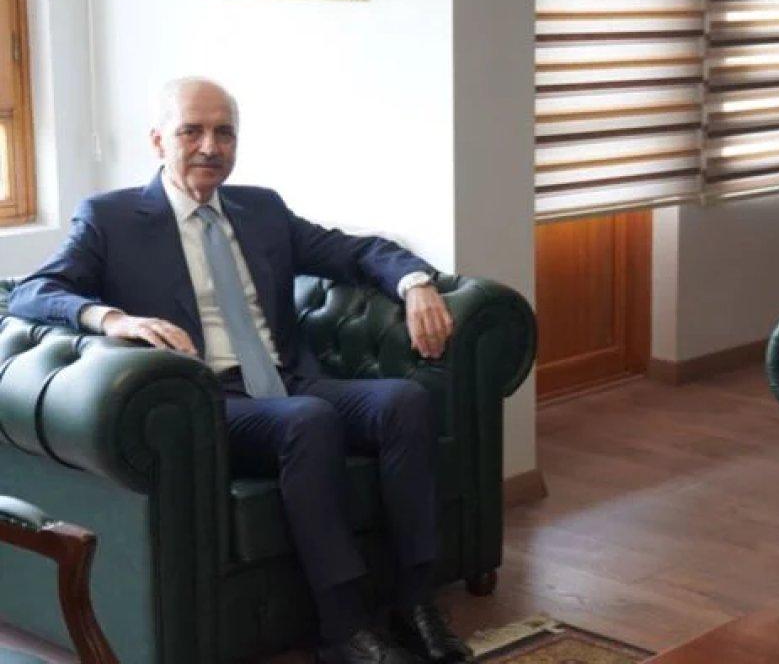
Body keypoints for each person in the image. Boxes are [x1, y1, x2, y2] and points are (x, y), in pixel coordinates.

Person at [8, 78, 473, 664]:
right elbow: (32, 292)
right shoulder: (111, 219)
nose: (210, 146)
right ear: (158, 140)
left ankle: (415, 601)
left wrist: (416, 283)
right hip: (206, 402)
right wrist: (112, 319)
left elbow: (353, 251)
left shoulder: (262, 209)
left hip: (287, 380)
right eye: (191, 131)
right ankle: (343, 629)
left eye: (224, 133)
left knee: (405, 402)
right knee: (308, 421)